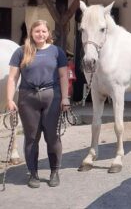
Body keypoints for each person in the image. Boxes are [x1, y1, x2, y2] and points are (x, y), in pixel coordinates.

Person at [6, 20, 69, 188]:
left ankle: (54, 171)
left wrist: (65, 98)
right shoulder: (21, 52)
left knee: (52, 137)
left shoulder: (57, 52)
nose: (40, 34)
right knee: (31, 138)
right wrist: (10, 99)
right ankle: (33, 174)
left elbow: (63, 76)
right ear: (31, 33)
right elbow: (12, 78)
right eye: (37, 31)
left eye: (43, 31)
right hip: (28, 98)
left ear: (48, 33)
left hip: (52, 97)